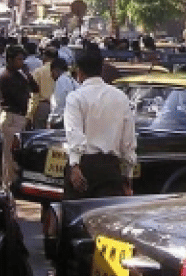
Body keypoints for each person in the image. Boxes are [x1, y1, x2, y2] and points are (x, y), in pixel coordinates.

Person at [63, 47, 137, 198]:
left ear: (79, 72)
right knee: (107, 212)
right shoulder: (120, 97)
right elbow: (128, 141)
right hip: (110, 169)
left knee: (77, 212)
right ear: (101, 69)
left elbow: (74, 133)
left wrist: (74, 166)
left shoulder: (75, 98)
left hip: (84, 167)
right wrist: (127, 175)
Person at [0, 45, 38, 186]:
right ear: (10, 60)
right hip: (11, 117)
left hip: (19, 117)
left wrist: (28, 74)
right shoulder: (6, 77)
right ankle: (8, 186)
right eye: (19, 59)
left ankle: (13, 184)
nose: (22, 62)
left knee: (17, 156)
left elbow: (35, 88)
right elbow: (19, 98)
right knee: (10, 157)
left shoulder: (19, 75)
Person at [48, 56, 78, 128]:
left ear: (55, 70)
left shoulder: (61, 81)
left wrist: (51, 120)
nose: (51, 75)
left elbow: (58, 104)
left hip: (62, 120)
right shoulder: (72, 80)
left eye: (51, 72)